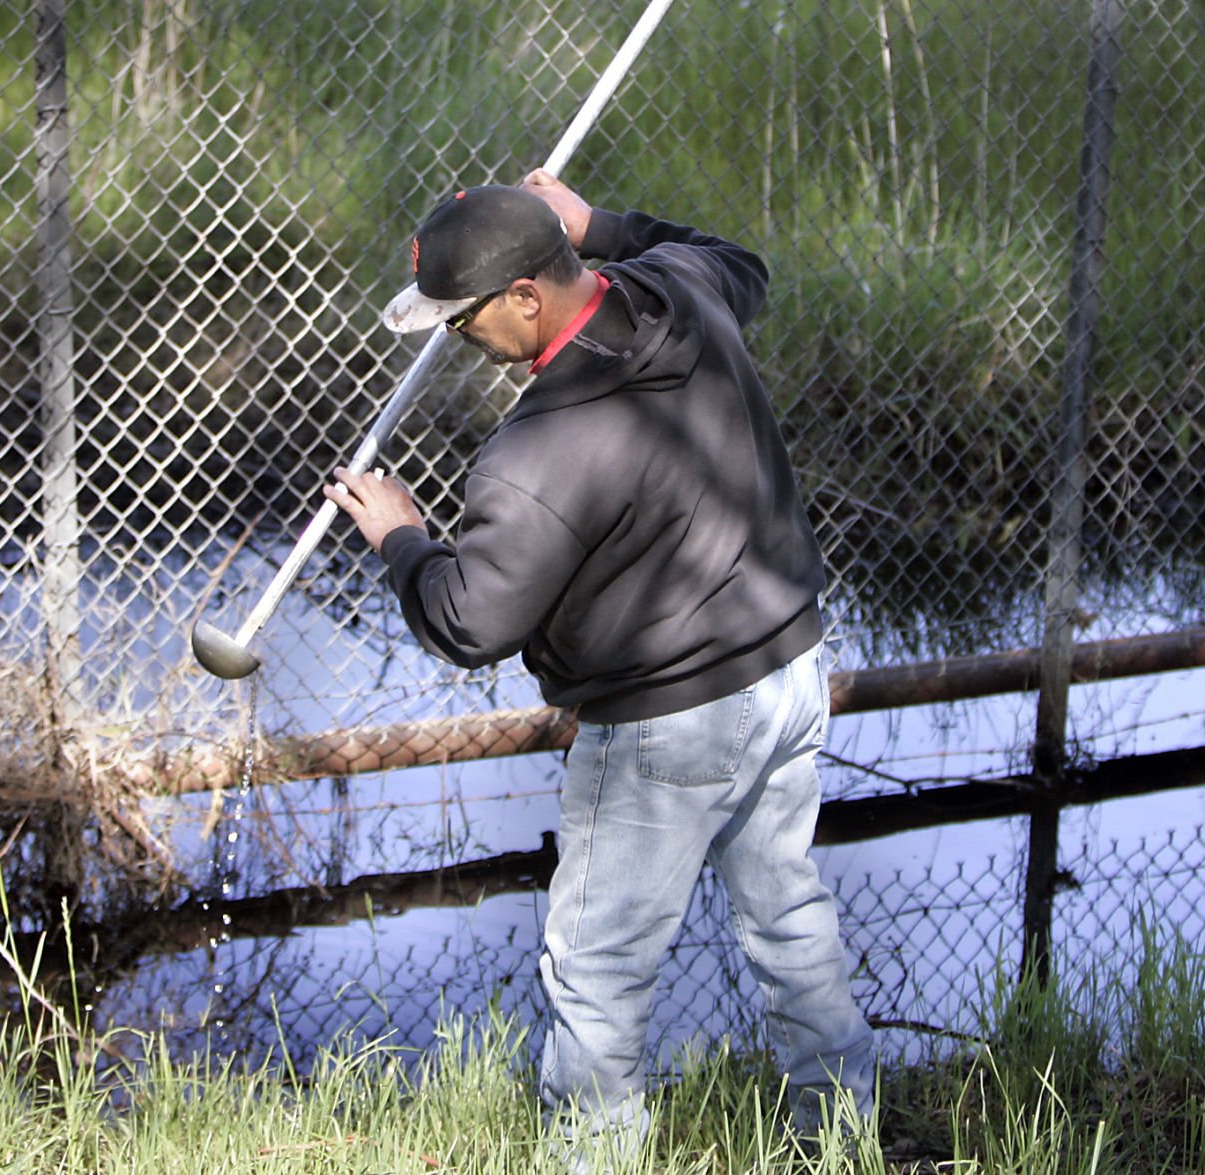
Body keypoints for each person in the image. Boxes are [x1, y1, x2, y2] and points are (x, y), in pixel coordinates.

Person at [324, 171, 874, 1158]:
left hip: (665, 725)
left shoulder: (534, 452)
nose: (454, 337)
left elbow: (467, 620)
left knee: (597, 977)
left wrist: (402, 540)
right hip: (788, 674)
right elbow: (742, 263)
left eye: (459, 317)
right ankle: (840, 1141)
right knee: (788, 921)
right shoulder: (675, 287)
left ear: (526, 296)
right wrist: (599, 223)